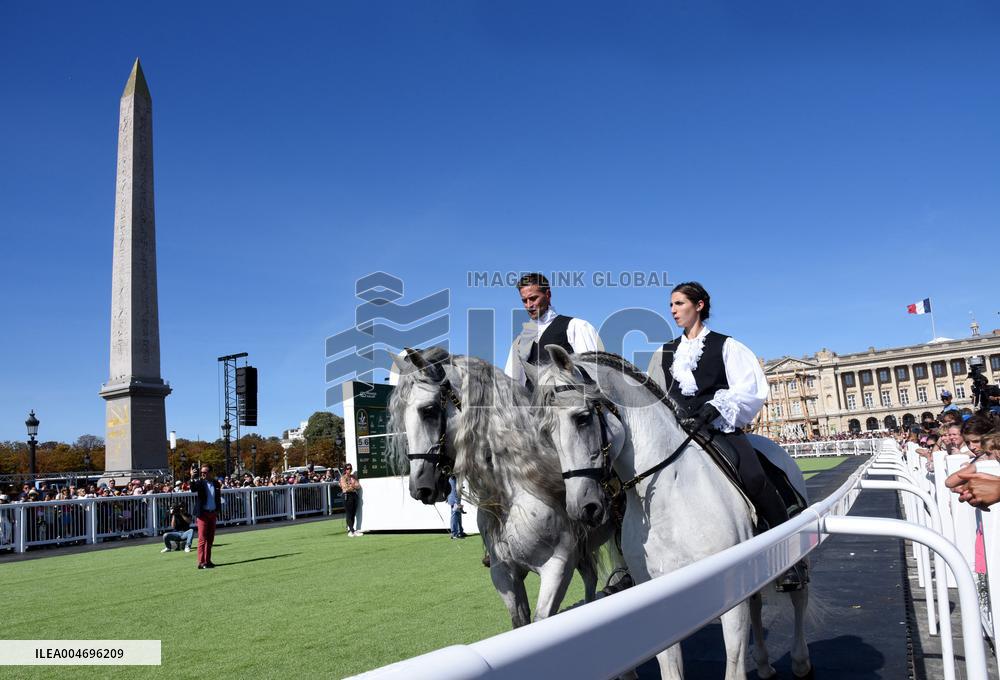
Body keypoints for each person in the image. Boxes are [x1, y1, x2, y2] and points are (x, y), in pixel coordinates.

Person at [647, 282, 788, 531]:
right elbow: (654, 393)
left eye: (679, 303)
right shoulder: (663, 352)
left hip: (717, 429)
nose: (673, 310)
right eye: (671, 305)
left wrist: (716, 407)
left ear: (699, 305)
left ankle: (781, 533)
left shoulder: (726, 345)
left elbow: (749, 387)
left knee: (754, 477)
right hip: (676, 432)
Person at [504, 272, 602, 390]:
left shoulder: (576, 326)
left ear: (548, 295)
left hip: (570, 400)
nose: (529, 305)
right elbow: (510, 385)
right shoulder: (519, 343)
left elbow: (595, 374)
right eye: (524, 301)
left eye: (533, 298)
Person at [189, 463, 221, 569]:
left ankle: (208, 560)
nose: (203, 474)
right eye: (201, 472)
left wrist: (218, 511)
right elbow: (193, 489)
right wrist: (192, 477)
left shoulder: (216, 483)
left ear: (211, 473)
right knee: (202, 538)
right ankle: (201, 562)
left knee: (210, 539)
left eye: (205, 472)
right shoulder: (200, 482)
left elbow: (217, 498)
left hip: (213, 513)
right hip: (203, 514)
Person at [340, 463, 363, 537]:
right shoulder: (343, 478)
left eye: (350, 468)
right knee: (349, 513)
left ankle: (352, 530)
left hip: (354, 495)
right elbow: (345, 488)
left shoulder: (353, 477)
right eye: (347, 469)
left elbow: (358, 486)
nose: (349, 470)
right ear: (345, 470)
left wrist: (351, 485)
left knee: (353, 513)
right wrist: (353, 485)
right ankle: (351, 530)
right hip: (347, 496)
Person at [447, 474, 466, 539]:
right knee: (455, 514)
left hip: (456, 499)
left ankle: (460, 532)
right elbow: (453, 491)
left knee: (458, 514)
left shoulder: (456, 478)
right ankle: (454, 533)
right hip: (454, 499)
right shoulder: (453, 478)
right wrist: (457, 502)